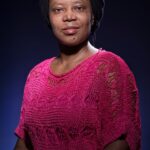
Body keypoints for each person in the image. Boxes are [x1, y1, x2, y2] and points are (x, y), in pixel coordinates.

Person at [14, 0, 141, 149]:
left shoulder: (108, 68)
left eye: (79, 8)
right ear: (49, 17)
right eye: (58, 10)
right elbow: (24, 141)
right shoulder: (36, 75)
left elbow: (120, 143)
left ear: (92, 15)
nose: (69, 16)